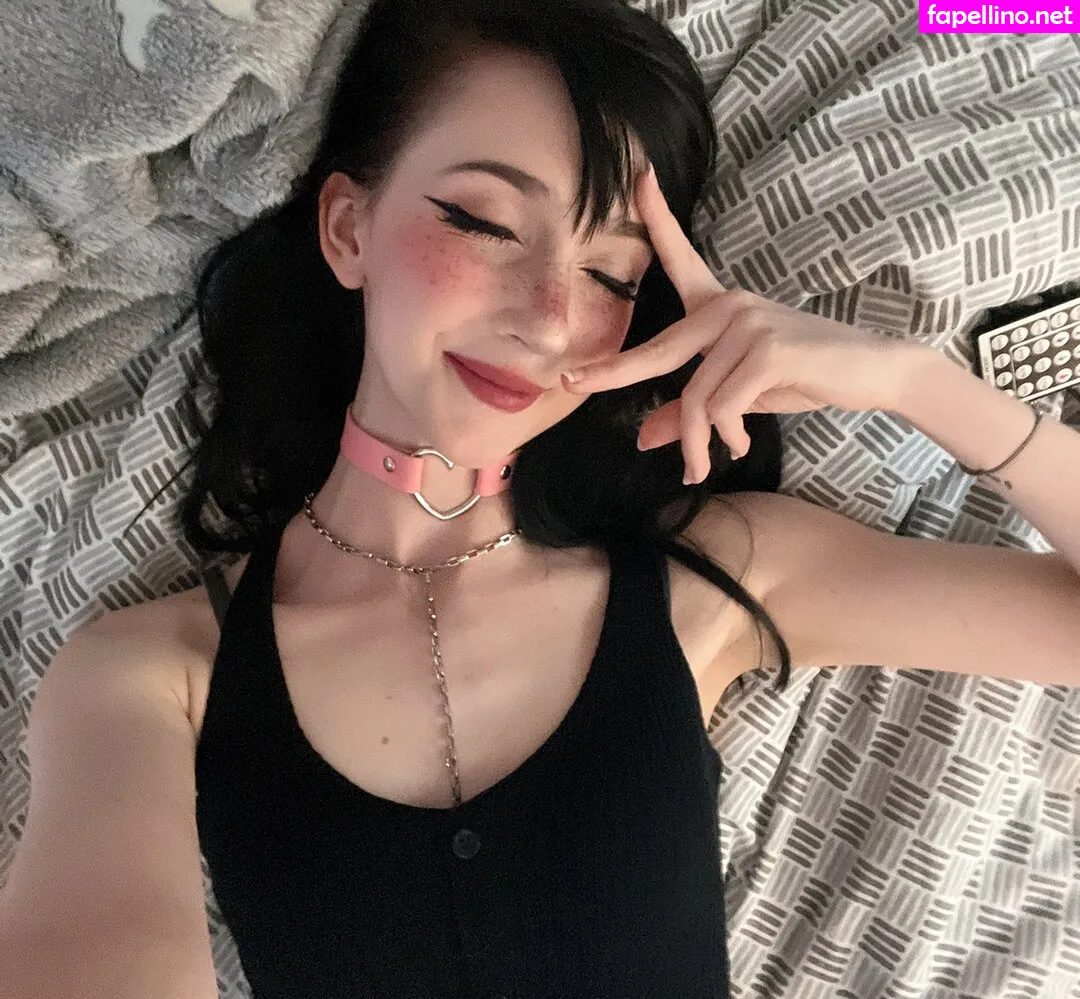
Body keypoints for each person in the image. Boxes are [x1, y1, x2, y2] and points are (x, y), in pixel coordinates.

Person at [3, 0, 1079, 996]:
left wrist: (911, 381)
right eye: (484, 222)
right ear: (347, 228)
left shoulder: (716, 577)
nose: (553, 315)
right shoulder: (148, 675)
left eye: (611, 276)